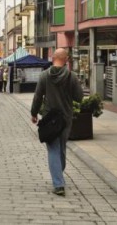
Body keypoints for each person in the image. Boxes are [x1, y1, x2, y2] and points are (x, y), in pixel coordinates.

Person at [30, 48, 83, 196]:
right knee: (61, 148)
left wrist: (34, 113)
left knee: (53, 149)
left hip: (49, 119)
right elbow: (79, 97)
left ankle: (58, 183)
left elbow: (37, 97)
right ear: (66, 59)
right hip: (66, 118)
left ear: (53, 58)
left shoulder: (44, 76)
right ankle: (59, 176)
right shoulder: (71, 76)